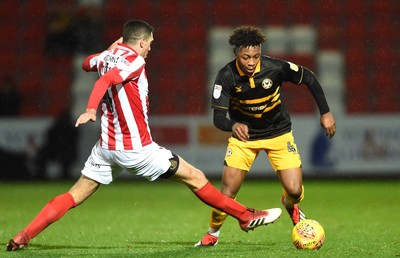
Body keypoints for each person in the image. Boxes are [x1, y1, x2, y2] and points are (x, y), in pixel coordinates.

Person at [6, 20, 282, 252]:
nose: (150, 48)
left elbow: (87, 65)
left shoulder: (107, 56)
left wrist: (108, 51)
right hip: (137, 149)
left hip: (106, 148)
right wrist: (91, 109)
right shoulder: (135, 62)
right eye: (149, 43)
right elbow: (104, 81)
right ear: (140, 42)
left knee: (74, 195)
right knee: (196, 177)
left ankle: (23, 236)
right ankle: (246, 217)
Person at [195, 26, 336, 247]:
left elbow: (308, 77)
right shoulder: (226, 76)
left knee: (295, 191)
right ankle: (213, 233)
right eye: (245, 57)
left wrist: (325, 112)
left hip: (279, 134)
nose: (251, 62)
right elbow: (218, 118)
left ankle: (290, 204)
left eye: (255, 56)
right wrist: (233, 125)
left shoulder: (275, 68)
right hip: (244, 140)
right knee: (228, 191)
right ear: (236, 54)